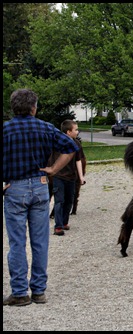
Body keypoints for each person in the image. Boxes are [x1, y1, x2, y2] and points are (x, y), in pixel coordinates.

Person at [3, 89, 79, 307]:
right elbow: (71, 147)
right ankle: (38, 290)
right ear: (34, 107)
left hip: (15, 186)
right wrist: (53, 169)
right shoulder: (45, 127)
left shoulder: (6, 130)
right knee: (40, 241)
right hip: (40, 185)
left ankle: (19, 291)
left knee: (17, 242)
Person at [48, 120, 86, 236]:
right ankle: (58, 227)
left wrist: (81, 177)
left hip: (71, 177)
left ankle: (64, 222)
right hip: (58, 176)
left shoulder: (76, 144)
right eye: (76, 130)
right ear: (68, 132)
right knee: (59, 201)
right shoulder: (56, 142)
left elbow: (78, 160)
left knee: (69, 200)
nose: (78, 131)